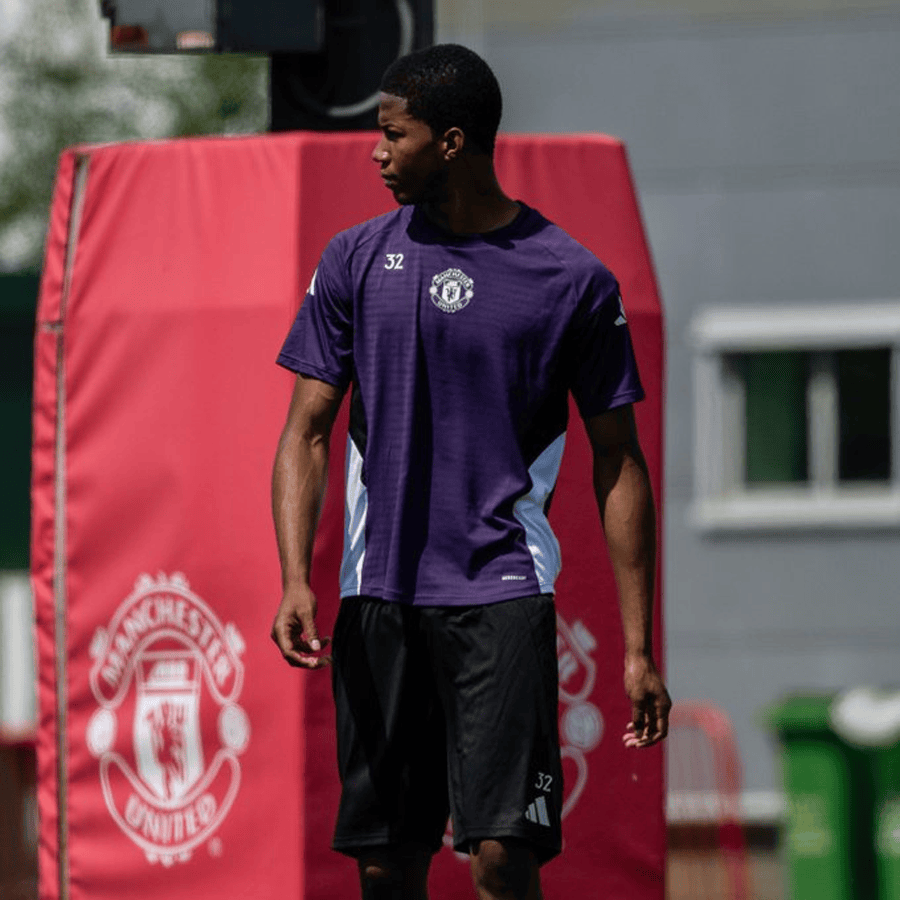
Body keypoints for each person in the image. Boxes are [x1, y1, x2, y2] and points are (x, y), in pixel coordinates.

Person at [270, 43, 670, 900]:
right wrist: (296, 577)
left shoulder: (572, 279)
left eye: (393, 135)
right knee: (386, 862)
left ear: (451, 142)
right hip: (378, 596)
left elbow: (619, 460)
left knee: (501, 855)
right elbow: (306, 431)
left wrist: (638, 648)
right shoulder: (352, 260)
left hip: (501, 596)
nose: (376, 152)